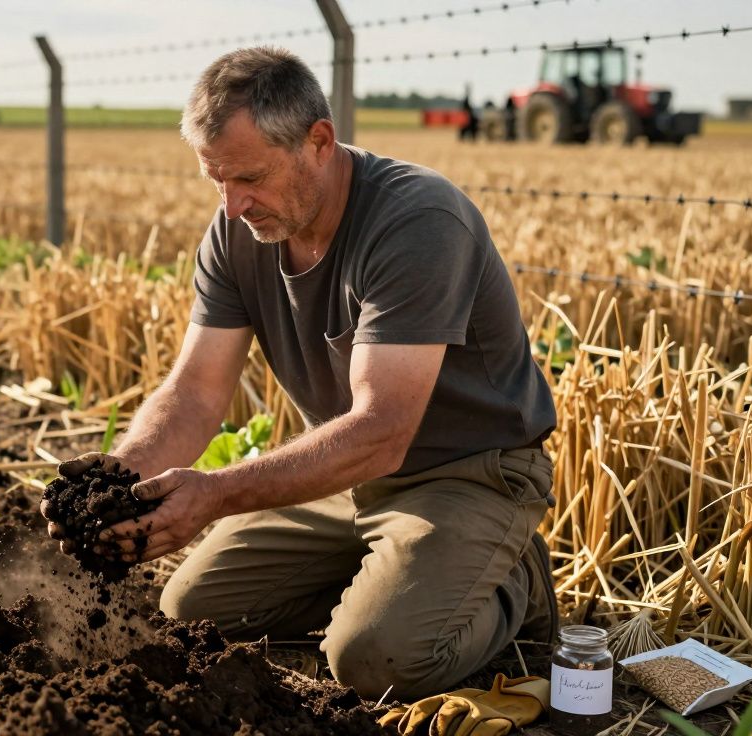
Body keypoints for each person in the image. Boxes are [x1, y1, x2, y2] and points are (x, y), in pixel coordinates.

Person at [41, 47, 558, 702]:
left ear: (319, 141)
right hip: (344, 479)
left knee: (375, 662)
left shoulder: (417, 221)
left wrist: (216, 494)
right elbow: (195, 394)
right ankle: (401, 580)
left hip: (465, 475)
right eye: (217, 181)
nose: (233, 206)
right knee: (191, 610)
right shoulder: (237, 234)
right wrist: (119, 483)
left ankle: (514, 582)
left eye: (249, 178)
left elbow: (383, 430)